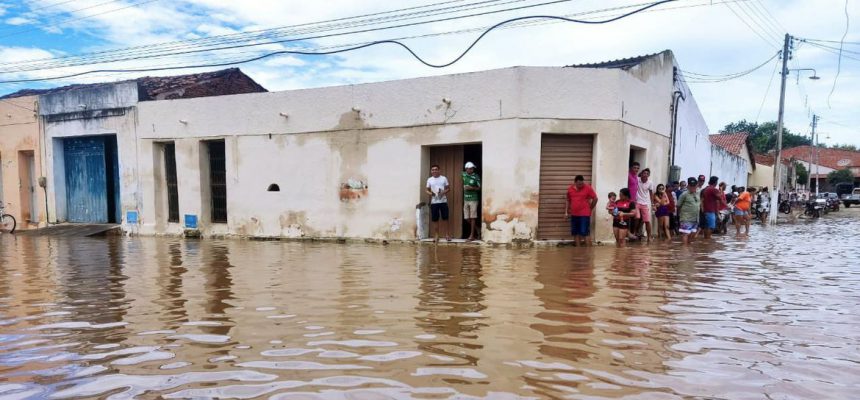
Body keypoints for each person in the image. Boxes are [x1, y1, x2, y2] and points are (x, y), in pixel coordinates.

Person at [564, 175, 597, 246]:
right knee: (575, 233)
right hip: (574, 214)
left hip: (584, 214)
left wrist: (590, 208)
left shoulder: (588, 187)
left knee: (585, 233)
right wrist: (566, 212)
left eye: (582, 184)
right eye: (579, 184)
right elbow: (568, 200)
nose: (581, 185)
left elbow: (595, 198)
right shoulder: (570, 189)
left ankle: (589, 252)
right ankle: (578, 251)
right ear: (575, 182)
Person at [425, 165, 450, 241]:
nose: (434, 171)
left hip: (443, 201)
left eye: (436, 169)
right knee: (435, 219)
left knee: (445, 218)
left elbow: (448, 188)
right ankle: (436, 235)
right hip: (434, 202)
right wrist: (431, 194)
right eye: (432, 170)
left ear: (439, 170)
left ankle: (447, 235)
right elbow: (426, 190)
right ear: (431, 171)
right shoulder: (429, 179)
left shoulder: (444, 178)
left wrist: (443, 192)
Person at [677, 177, 701, 245]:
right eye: (691, 186)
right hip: (686, 218)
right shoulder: (684, 194)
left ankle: (688, 247)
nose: (692, 187)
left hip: (695, 218)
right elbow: (678, 205)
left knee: (693, 233)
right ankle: (684, 250)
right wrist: (680, 215)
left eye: (694, 186)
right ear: (688, 186)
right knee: (685, 233)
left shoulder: (698, 193)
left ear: (696, 185)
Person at [462, 162, 481, 241]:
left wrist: (471, 188)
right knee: (466, 218)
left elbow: (479, 188)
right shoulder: (463, 174)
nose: (472, 170)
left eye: (472, 168)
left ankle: (472, 235)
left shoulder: (476, 177)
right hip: (466, 199)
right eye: (470, 168)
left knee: (473, 217)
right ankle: (477, 229)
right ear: (466, 169)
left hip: (473, 199)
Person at [636, 168, 655, 242]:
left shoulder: (650, 183)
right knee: (637, 217)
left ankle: (649, 237)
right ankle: (635, 232)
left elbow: (651, 193)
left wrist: (652, 204)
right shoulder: (637, 179)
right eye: (644, 173)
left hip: (645, 203)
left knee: (647, 220)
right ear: (641, 173)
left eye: (647, 174)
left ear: (649, 175)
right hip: (637, 201)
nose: (645, 175)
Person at [627, 162, 641, 240]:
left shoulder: (636, 176)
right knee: (628, 217)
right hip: (628, 200)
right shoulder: (628, 175)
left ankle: (633, 233)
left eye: (638, 168)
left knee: (636, 217)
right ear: (631, 168)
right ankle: (628, 234)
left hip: (634, 200)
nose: (636, 169)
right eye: (635, 168)